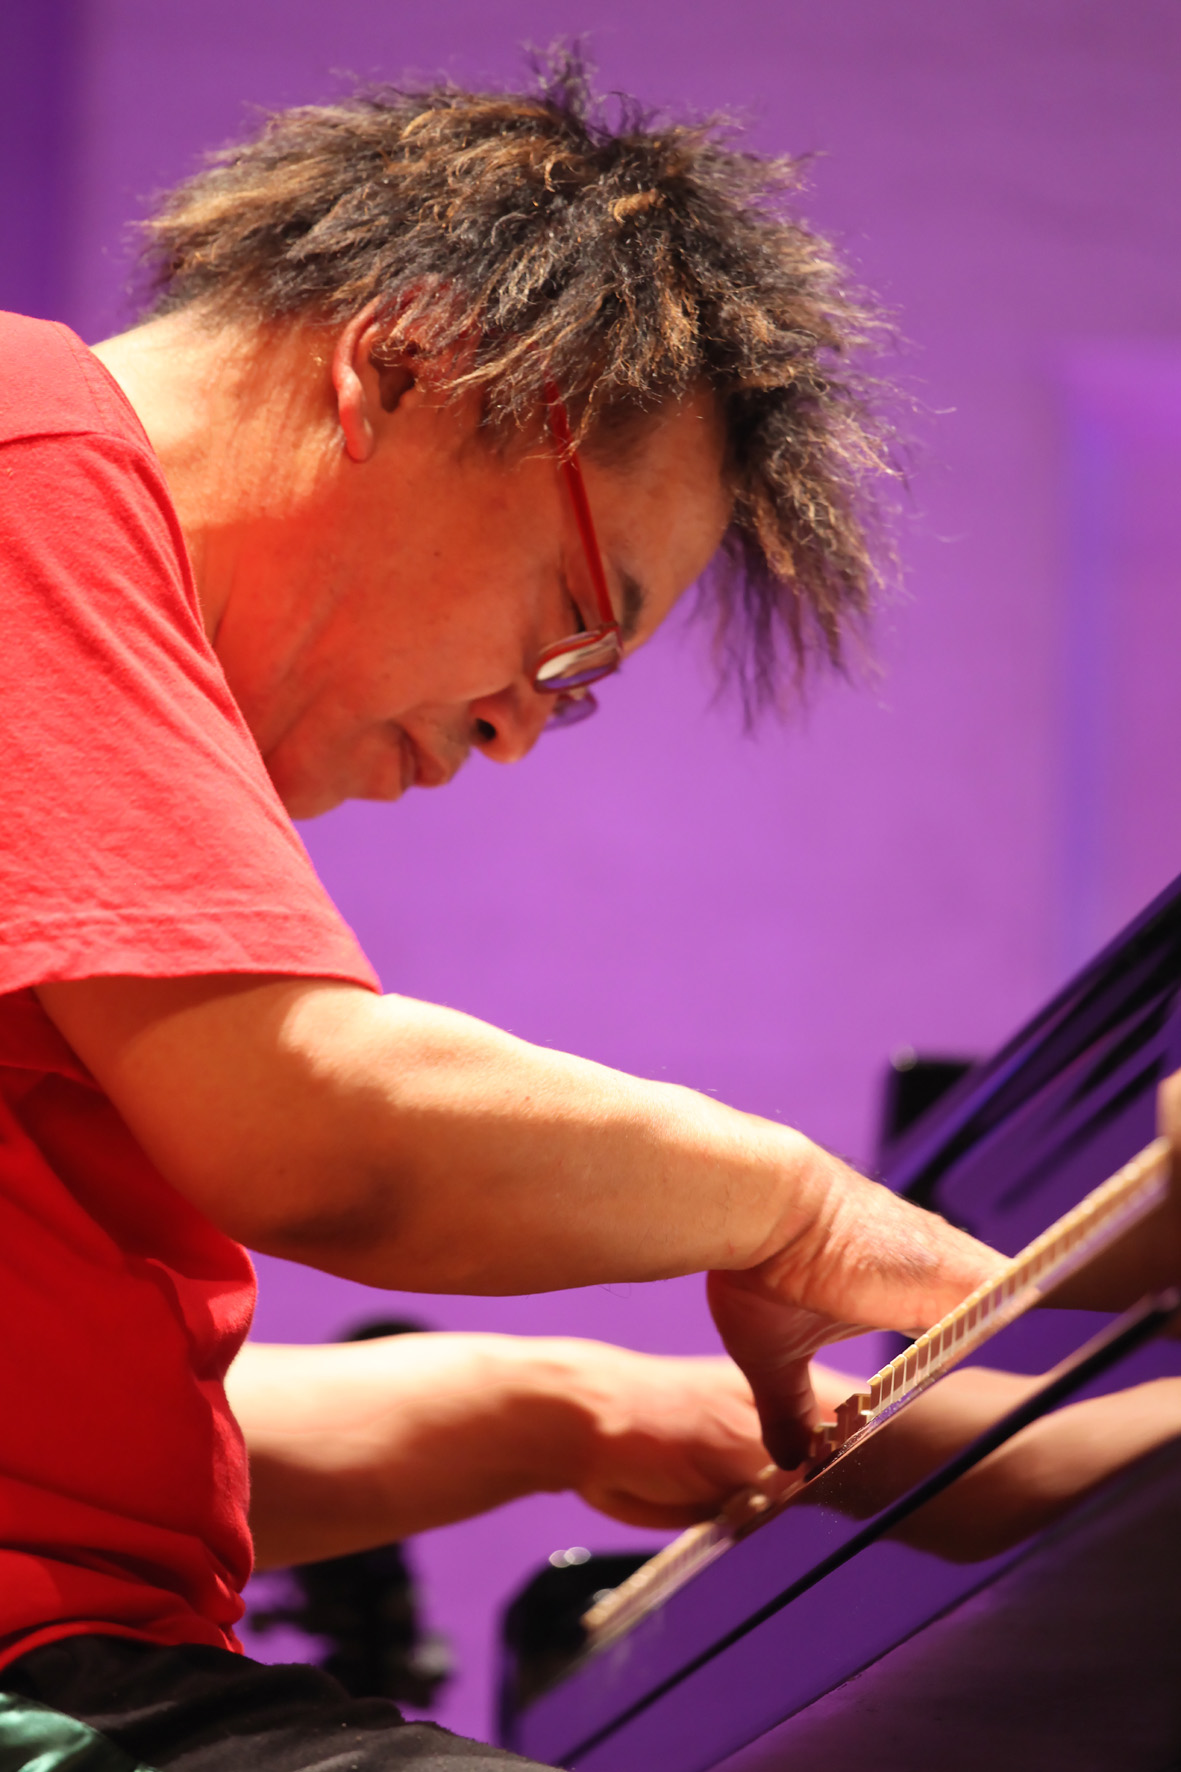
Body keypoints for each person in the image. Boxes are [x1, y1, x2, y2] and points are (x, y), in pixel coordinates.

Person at [0, 58, 1005, 1771]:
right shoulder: (27, 444)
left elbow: (73, 1471)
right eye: (573, 623)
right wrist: (797, 1208)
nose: (519, 728)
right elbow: (316, 1131)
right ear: (402, 363)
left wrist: (565, 1406)